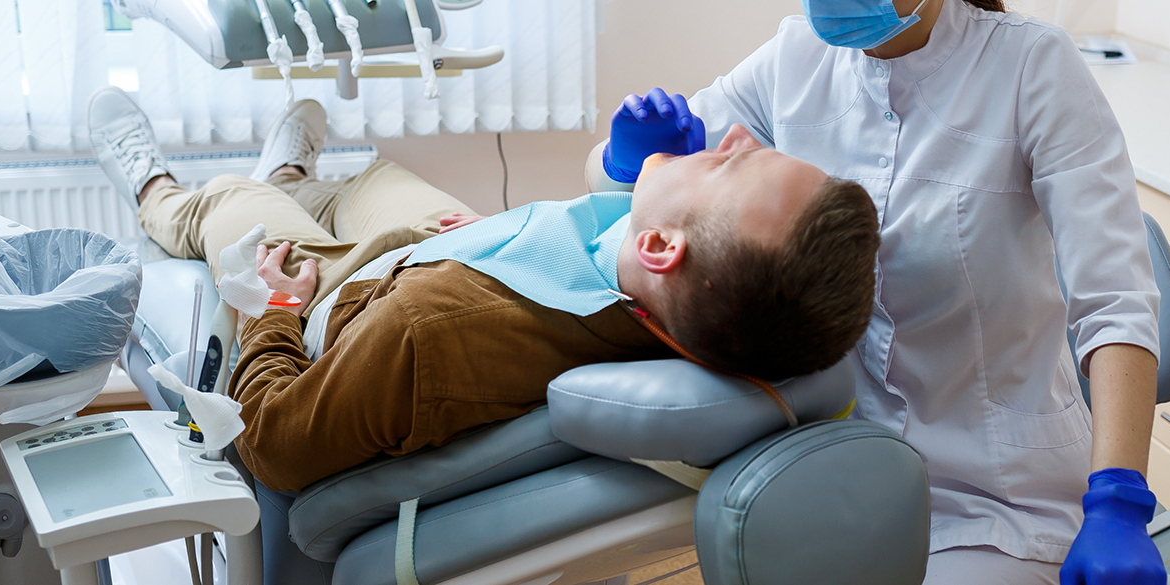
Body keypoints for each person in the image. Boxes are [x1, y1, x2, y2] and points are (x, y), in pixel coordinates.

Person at [588, 1, 1166, 583]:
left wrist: (1118, 498)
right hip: (840, 484)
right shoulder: (795, 59)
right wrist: (627, 156)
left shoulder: (1030, 65)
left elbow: (1115, 298)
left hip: (998, 503)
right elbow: (652, 196)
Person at [86, 88, 882, 491]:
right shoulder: (666, 289)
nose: (736, 135)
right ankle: (290, 176)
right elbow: (616, 232)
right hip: (449, 244)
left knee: (229, 206)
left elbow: (276, 442)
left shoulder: (429, 336)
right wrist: (638, 173)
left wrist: (277, 312)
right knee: (373, 179)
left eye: (736, 163)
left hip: (340, 301)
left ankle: (156, 187)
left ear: (662, 246)